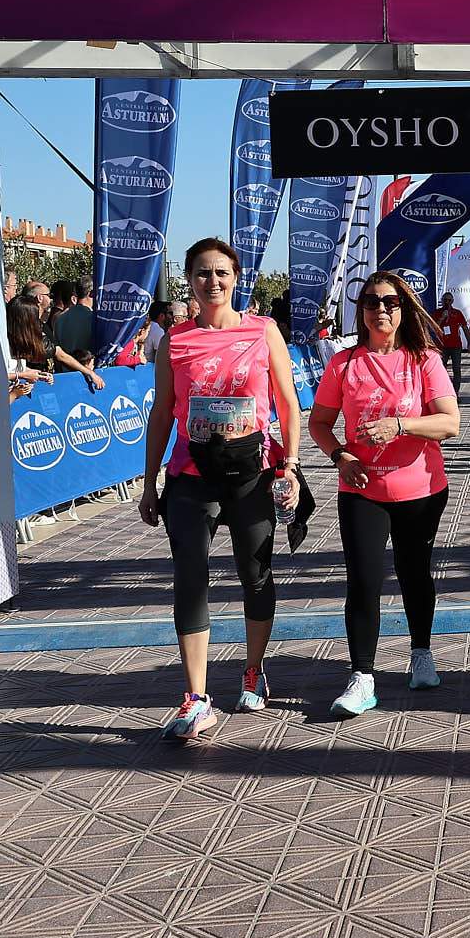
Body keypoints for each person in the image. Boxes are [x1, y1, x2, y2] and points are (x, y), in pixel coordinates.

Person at [136, 238, 303, 742]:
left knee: (255, 575)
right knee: (190, 577)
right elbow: (162, 412)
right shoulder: (176, 340)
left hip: (253, 472)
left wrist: (290, 466)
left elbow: (288, 403)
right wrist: (150, 482)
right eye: (203, 273)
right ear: (189, 280)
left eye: (222, 273)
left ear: (236, 278)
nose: (213, 282)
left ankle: (253, 671)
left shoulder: (263, 330)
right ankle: (196, 697)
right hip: (191, 474)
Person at [308, 273, 462, 715]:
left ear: (402, 309)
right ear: (360, 310)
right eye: (371, 302)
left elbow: (450, 423)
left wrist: (400, 425)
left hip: (420, 489)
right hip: (362, 489)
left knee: (415, 573)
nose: (381, 309)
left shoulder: (424, 360)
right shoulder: (344, 364)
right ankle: (362, 676)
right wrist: (340, 456)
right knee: (363, 580)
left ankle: (421, 653)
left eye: (390, 302)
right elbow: (319, 423)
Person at [432, 292, 468, 389]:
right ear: (442, 301)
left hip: (455, 345)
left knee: (456, 368)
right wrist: (442, 318)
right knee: (441, 369)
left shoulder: (457, 313)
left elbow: (464, 327)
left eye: (449, 300)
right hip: (442, 345)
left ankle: (456, 391)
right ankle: (443, 390)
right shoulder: (437, 312)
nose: (447, 302)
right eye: (445, 300)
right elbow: (434, 327)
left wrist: (469, 342)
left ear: (452, 301)